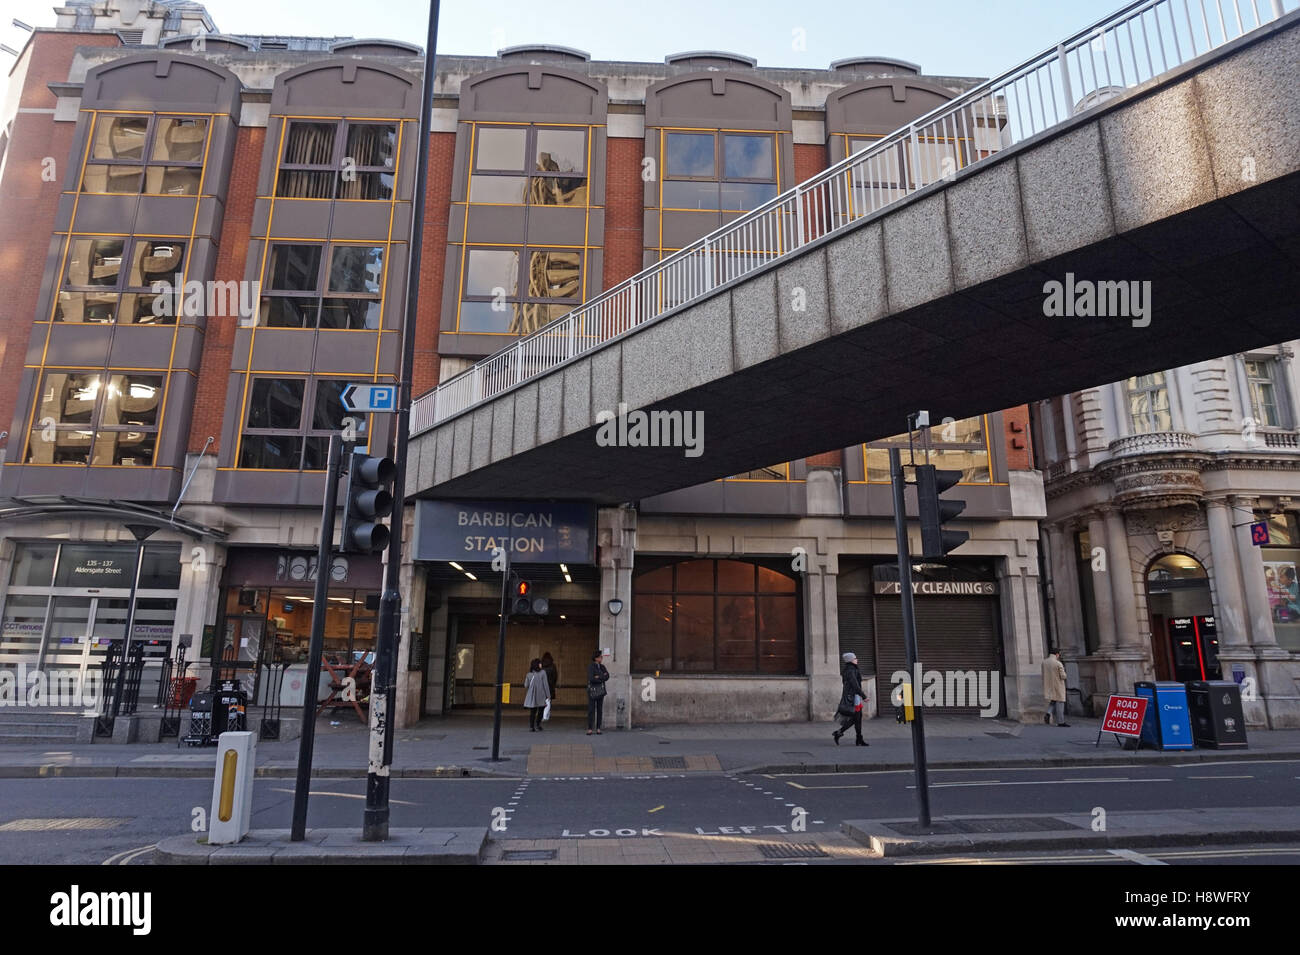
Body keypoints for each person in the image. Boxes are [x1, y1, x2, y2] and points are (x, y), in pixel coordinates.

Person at [832, 652, 869, 746]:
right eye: (855, 658)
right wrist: (864, 696)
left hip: (854, 696)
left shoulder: (850, 669)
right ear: (850, 660)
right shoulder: (851, 670)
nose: (857, 660)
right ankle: (840, 733)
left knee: (858, 718)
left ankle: (858, 738)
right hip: (853, 697)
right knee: (857, 718)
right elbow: (855, 685)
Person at [1042, 648, 1068, 727]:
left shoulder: (1044, 662)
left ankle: (1048, 713)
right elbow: (1063, 676)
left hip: (1049, 685)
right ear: (1057, 654)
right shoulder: (1058, 663)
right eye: (1059, 654)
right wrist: (1065, 674)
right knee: (1060, 702)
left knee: (1053, 700)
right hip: (1058, 685)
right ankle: (1061, 721)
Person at [586, 650, 610, 735]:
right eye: (600, 657)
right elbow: (591, 678)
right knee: (591, 710)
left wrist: (598, 676)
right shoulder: (591, 667)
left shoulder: (602, 666)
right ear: (596, 658)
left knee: (600, 709)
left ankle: (598, 728)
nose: (602, 658)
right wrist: (602, 677)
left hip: (601, 691)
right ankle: (590, 728)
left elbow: (607, 676)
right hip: (592, 691)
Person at [523, 658, 550, 732]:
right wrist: (548, 695)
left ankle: (531, 727)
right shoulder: (543, 673)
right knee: (540, 710)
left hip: (533, 696)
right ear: (537, 665)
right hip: (541, 695)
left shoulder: (529, 674)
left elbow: (526, 685)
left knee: (533, 712)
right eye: (540, 663)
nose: (541, 664)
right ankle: (538, 725)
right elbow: (546, 685)